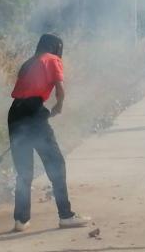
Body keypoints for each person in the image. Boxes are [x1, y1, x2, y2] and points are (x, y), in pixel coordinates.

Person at [8, 34, 91, 232]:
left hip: (15, 114)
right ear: (56, 47)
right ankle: (66, 215)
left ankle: (21, 220)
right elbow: (60, 90)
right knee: (56, 164)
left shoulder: (29, 62)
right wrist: (58, 106)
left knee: (24, 171)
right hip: (33, 112)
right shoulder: (52, 59)